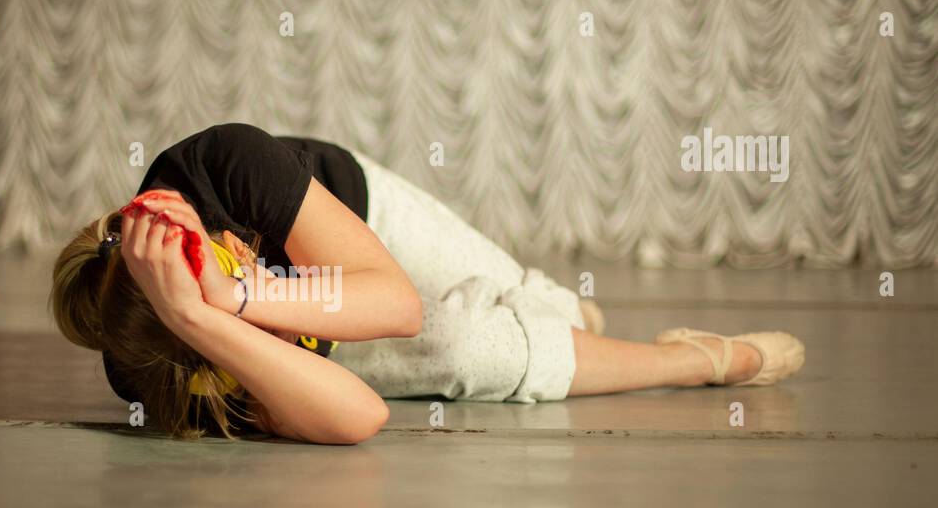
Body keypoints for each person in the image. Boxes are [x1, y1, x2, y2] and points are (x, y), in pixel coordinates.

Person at [50, 123, 804, 444]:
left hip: (358, 228)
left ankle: (558, 314)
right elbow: (360, 419)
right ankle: (696, 356)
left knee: (545, 309)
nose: (241, 275)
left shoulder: (227, 164)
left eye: (234, 261)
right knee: (477, 354)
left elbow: (394, 301)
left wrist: (241, 297)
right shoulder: (159, 361)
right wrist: (207, 320)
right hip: (270, 326)